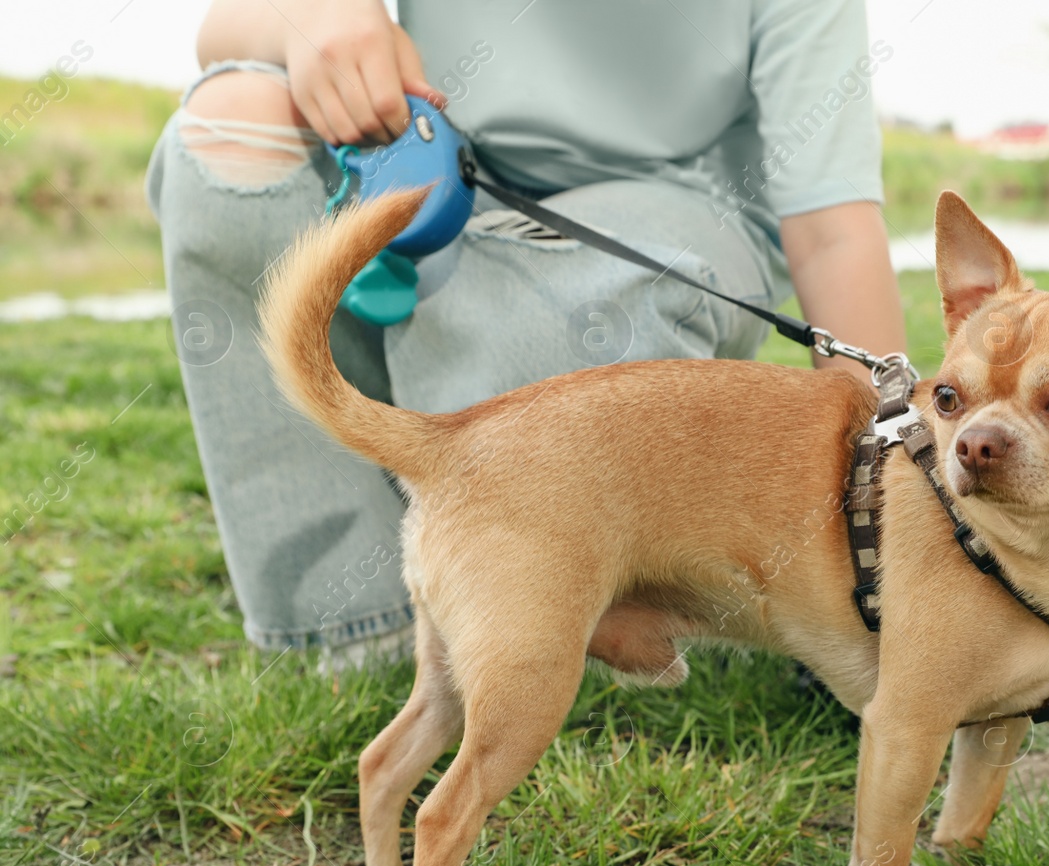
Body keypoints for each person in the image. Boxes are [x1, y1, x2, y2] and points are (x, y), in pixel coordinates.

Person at [146, 0, 905, 667]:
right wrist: (310, 13)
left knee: (549, 322)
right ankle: (351, 627)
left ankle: (552, 603)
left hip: (663, 223)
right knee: (229, 118)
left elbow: (832, 232)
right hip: (427, 182)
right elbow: (222, 28)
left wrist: (885, 519)